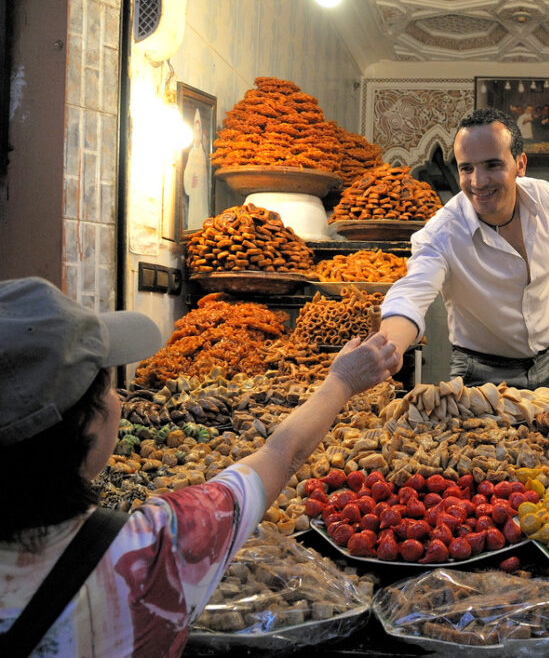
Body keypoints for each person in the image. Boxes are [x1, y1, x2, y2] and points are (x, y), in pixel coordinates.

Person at [0, 277, 400, 656]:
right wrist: (342, 382)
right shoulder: (149, 549)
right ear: (85, 426)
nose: (119, 398)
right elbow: (282, 455)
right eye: (107, 386)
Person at [378, 108, 549, 392]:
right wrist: (386, 350)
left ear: (520, 164)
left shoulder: (547, 199)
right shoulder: (442, 232)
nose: (477, 182)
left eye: (492, 165)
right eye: (466, 168)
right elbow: (410, 294)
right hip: (482, 375)